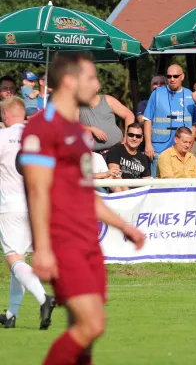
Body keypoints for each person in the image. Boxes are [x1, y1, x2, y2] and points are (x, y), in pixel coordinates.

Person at [19, 54, 145, 365]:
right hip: (64, 243)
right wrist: (43, 249)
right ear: (69, 81)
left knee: (85, 334)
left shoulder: (76, 131)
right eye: (91, 78)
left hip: (89, 241)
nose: (98, 85)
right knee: (92, 324)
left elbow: (84, 194)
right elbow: (36, 190)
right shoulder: (42, 128)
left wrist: (123, 225)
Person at [0, 97, 56, 329]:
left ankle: (44, 298)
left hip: (11, 205)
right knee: (20, 260)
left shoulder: (2, 137)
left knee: (14, 258)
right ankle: (11, 315)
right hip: (37, 206)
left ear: (6, 115)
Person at [143, 64, 196, 177]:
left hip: (183, 151)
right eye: (169, 76)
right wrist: (148, 144)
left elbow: (194, 124)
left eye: (175, 76)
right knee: (159, 188)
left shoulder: (190, 95)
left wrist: (190, 144)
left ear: (182, 76)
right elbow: (147, 119)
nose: (172, 79)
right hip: (159, 149)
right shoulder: (157, 93)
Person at [79, 92, 135, 157]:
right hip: (94, 155)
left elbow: (129, 115)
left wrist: (126, 139)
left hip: (116, 149)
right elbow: (71, 125)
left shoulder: (107, 100)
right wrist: (91, 129)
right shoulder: (77, 105)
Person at [106, 123, 151, 191]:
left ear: (142, 139)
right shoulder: (115, 150)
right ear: (126, 135)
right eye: (131, 135)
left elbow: (147, 181)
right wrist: (129, 194)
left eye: (138, 136)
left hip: (138, 194)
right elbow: (115, 176)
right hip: (121, 193)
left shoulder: (143, 158)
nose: (134, 138)